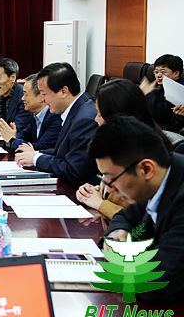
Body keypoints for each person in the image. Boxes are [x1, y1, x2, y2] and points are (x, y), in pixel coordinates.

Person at [92, 116, 184, 302]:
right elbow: (125, 216)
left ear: (146, 169)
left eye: (111, 178)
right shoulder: (157, 178)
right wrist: (116, 234)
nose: (108, 189)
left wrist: (119, 259)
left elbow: (154, 282)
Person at [76, 78, 180, 219]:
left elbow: (141, 222)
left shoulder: (143, 154)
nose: (96, 119)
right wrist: (96, 191)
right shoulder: (114, 146)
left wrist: (100, 204)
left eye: (100, 114)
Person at [14, 62, 99, 188]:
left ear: (63, 91)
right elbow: (63, 152)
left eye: (44, 94)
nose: (42, 100)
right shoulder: (78, 109)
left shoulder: (84, 120)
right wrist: (35, 153)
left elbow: (73, 169)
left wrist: (36, 158)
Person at [0, 74, 62, 152]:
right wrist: (12, 138)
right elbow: (23, 135)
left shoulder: (55, 116)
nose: (22, 98)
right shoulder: (34, 115)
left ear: (41, 97)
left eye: (25, 94)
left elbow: (41, 147)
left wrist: (12, 140)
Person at [140, 54, 184, 132]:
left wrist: (148, 93)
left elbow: (159, 115)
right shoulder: (161, 85)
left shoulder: (178, 90)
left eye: (163, 72)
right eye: (156, 72)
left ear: (176, 73)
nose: (158, 75)